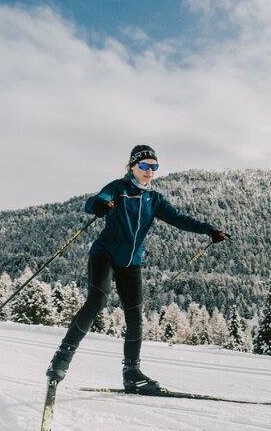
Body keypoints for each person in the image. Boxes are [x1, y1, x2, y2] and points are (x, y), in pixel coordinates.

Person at [45, 144, 229, 393]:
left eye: (154, 166)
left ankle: (131, 373)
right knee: (96, 302)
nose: (149, 171)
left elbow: (180, 219)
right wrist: (100, 205)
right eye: (144, 165)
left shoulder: (154, 199)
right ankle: (61, 359)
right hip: (105, 255)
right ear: (132, 166)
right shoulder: (118, 189)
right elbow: (95, 201)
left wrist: (210, 230)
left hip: (132, 262)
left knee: (135, 317)